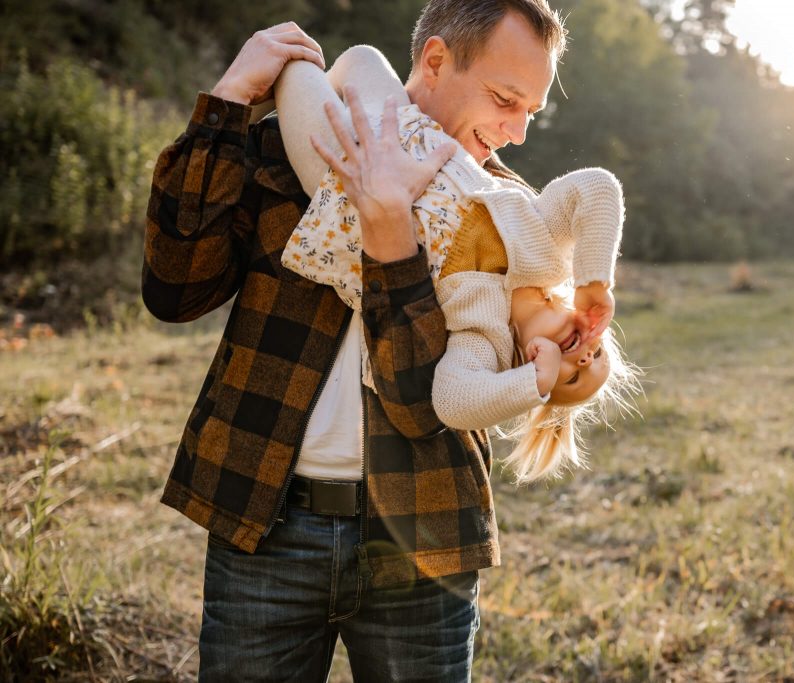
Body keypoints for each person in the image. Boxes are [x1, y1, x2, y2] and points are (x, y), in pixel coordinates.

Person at [141, 2, 567, 681]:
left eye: (530, 113)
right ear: (434, 61)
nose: (517, 133)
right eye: (505, 100)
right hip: (264, 526)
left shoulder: (498, 213)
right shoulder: (293, 146)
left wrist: (390, 233)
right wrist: (228, 102)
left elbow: (420, 402)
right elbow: (173, 288)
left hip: (422, 539)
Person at [275, 45, 637, 483]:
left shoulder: (484, 340)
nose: (582, 360)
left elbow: (452, 401)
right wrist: (595, 280)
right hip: (410, 131)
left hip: (347, 188)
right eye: (597, 355)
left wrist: (534, 383)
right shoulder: (546, 248)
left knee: (295, 70)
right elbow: (597, 187)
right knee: (362, 56)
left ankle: (282, 102)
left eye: (571, 380)